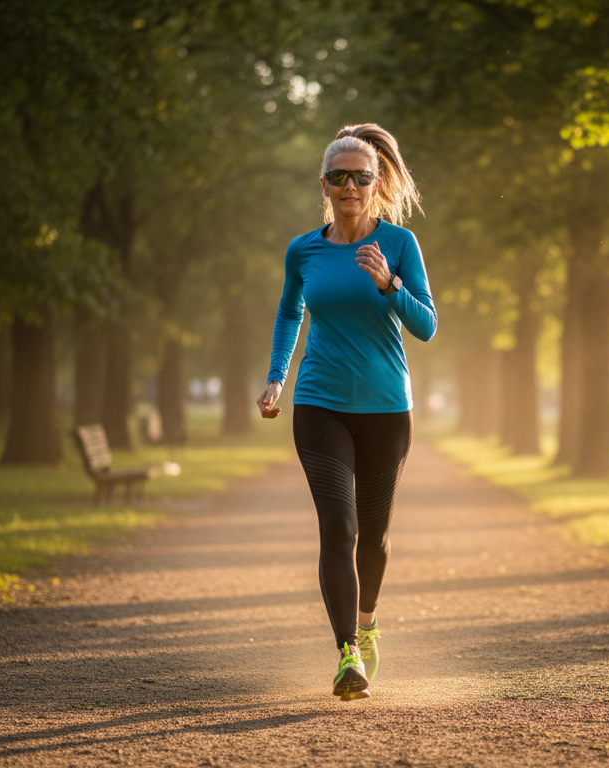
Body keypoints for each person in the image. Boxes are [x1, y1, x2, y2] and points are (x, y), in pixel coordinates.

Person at [258, 123, 436, 701]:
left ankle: (367, 620)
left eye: (361, 177)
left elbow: (427, 327)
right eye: (339, 177)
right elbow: (290, 313)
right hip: (319, 403)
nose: (350, 187)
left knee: (374, 536)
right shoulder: (303, 249)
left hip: (387, 407)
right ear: (324, 184)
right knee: (339, 525)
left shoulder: (400, 244)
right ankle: (348, 654)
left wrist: (390, 285)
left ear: (376, 182)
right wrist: (277, 377)